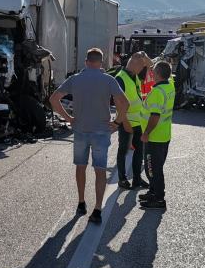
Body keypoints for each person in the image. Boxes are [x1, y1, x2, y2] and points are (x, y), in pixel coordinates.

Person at [50, 48, 131, 224]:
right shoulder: (109, 80)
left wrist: (68, 118)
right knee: (100, 170)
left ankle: (81, 203)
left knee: (80, 166)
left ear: (86, 61)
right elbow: (124, 103)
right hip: (102, 131)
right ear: (101, 63)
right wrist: (117, 122)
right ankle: (97, 209)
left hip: (80, 130)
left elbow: (54, 99)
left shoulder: (75, 79)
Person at [139, 61, 176, 210]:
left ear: (158, 74)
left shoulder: (157, 93)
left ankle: (159, 199)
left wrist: (146, 133)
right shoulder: (169, 86)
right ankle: (153, 192)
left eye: (153, 71)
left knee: (152, 169)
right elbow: (168, 73)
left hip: (154, 137)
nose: (150, 73)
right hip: (164, 135)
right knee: (156, 167)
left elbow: (155, 116)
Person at [114, 52, 150, 191]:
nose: (143, 68)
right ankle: (122, 179)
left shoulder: (134, 75)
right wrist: (125, 122)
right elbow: (118, 102)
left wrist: (144, 57)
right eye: (141, 66)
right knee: (123, 150)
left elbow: (150, 65)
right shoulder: (120, 78)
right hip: (126, 122)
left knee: (139, 151)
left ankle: (137, 179)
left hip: (138, 122)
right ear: (134, 65)